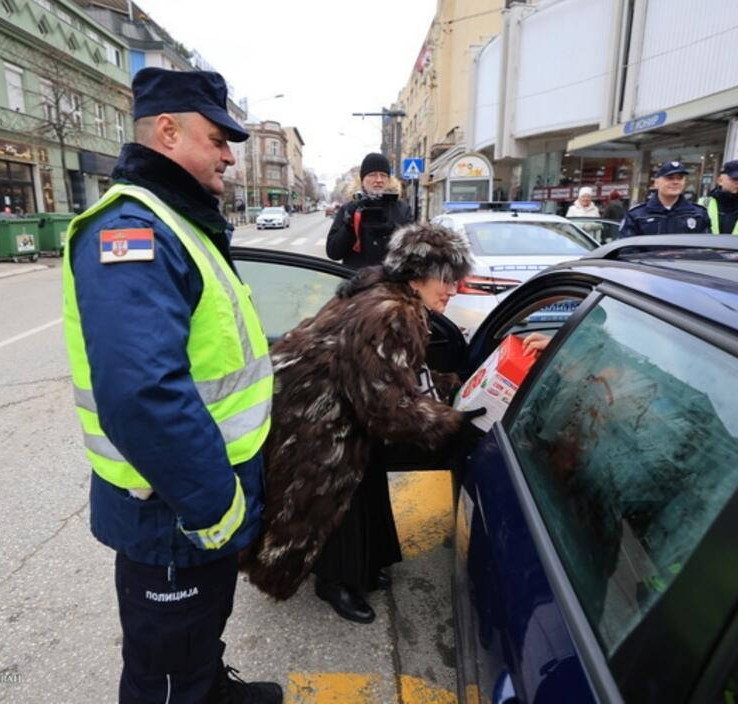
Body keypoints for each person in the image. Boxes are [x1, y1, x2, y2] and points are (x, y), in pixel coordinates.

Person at [61, 67, 281, 703]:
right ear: (167, 132)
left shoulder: (177, 221)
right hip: (172, 506)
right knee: (163, 671)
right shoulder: (132, 231)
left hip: (191, 494)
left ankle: (208, 687)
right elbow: (142, 397)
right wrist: (215, 507)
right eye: (218, 139)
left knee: (196, 632)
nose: (229, 156)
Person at [241, 224, 484, 623]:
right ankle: (336, 582)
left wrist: (448, 385)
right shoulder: (391, 312)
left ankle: (362, 568)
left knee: (363, 484)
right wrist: (452, 423)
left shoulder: (384, 295)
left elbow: (391, 373)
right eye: (445, 279)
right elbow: (385, 407)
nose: (452, 290)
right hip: (315, 418)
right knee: (336, 498)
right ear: (416, 275)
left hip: (319, 404)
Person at [326, 152, 414, 268]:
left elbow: (414, 252)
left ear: (389, 180)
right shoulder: (349, 208)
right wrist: (349, 227)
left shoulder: (402, 208)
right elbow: (333, 253)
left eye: (383, 175)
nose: (379, 180)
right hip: (356, 277)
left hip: (390, 277)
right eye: (372, 175)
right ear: (362, 180)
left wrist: (393, 231)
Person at [619, 162, 711, 237]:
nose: (675, 182)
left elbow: (705, 248)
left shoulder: (698, 214)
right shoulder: (637, 216)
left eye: (680, 178)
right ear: (656, 183)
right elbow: (627, 249)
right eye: (670, 178)